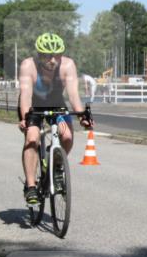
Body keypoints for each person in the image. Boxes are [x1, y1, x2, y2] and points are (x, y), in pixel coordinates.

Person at [18, 33, 92, 207]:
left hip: (56, 105)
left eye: (56, 55)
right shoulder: (28, 65)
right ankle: (30, 186)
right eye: (47, 56)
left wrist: (82, 116)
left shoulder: (68, 65)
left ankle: (57, 166)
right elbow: (26, 97)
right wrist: (25, 118)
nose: (52, 60)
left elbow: (73, 96)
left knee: (67, 137)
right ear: (38, 54)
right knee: (32, 139)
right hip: (33, 107)